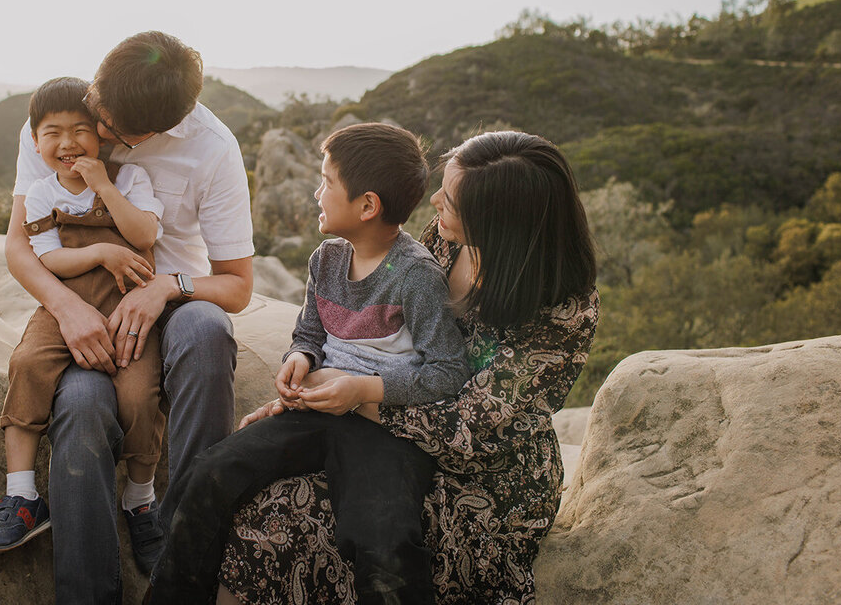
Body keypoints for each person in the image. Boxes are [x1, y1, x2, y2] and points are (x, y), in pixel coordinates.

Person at [217, 130, 600, 605]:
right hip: (391, 434)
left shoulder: (561, 311)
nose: (435, 199)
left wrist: (350, 396)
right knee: (252, 498)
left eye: (452, 200)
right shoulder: (442, 245)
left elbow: (472, 427)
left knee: (298, 520)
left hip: (483, 478)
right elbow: (390, 351)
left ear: (496, 222)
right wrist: (305, 398)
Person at [150, 122, 471, 605]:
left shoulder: (416, 276)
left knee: (381, 536)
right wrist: (299, 358)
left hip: (382, 428)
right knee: (210, 472)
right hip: (317, 410)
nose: (316, 192)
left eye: (326, 182)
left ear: (367, 205)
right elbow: (310, 333)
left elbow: (447, 371)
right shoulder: (326, 261)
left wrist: (362, 388)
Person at [4, 32, 254, 602]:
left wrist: (167, 286)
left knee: (208, 332)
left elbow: (237, 287)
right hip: (86, 302)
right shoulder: (63, 121)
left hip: (176, 301)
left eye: (115, 132)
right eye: (100, 112)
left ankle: (188, 533)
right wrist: (67, 309)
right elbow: (20, 245)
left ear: (157, 133)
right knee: (83, 405)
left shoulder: (213, 151)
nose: (97, 136)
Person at [0, 77, 166, 561]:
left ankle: (140, 500)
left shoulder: (129, 180)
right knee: (28, 364)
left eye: (80, 130)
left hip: (127, 310)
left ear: (101, 133)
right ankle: (22, 494)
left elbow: (143, 234)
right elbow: (47, 260)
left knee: (140, 396)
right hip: (64, 304)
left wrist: (103, 185)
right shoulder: (40, 195)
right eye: (52, 132)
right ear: (34, 141)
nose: (67, 143)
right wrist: (100, 251)